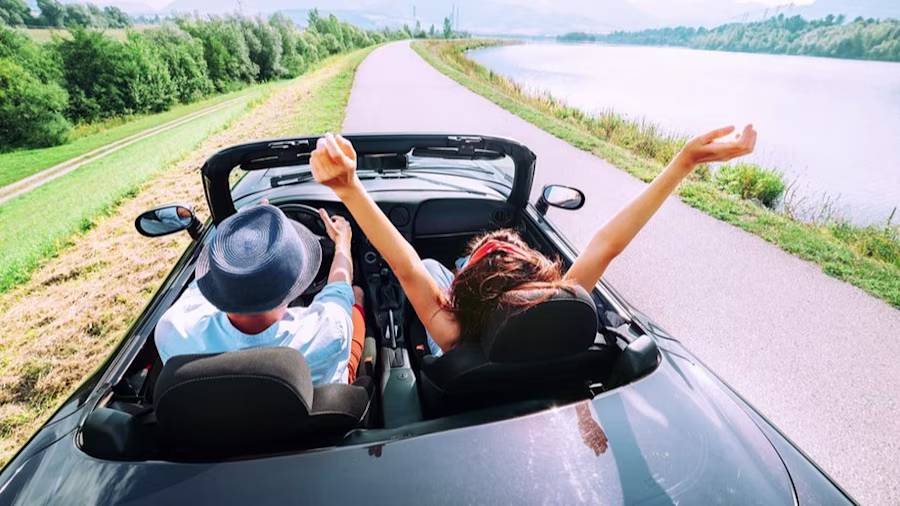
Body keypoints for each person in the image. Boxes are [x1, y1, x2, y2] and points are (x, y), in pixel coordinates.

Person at [311, 126, 757, 356]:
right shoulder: (564, 310)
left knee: (429, 268)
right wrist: (684, 162)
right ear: (539, 279)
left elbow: (407, 265)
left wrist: (350, 187)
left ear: (463, 294)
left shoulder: (453, 335)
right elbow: (607, 245)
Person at [155, 203, 367, 385]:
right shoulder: (330, 330)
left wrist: (238, 239)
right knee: (356, 294)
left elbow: (201, 285)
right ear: (296, 281)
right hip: (314, 417)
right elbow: (340, 287)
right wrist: (342, 242)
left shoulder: (171, 331)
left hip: (226, 422)